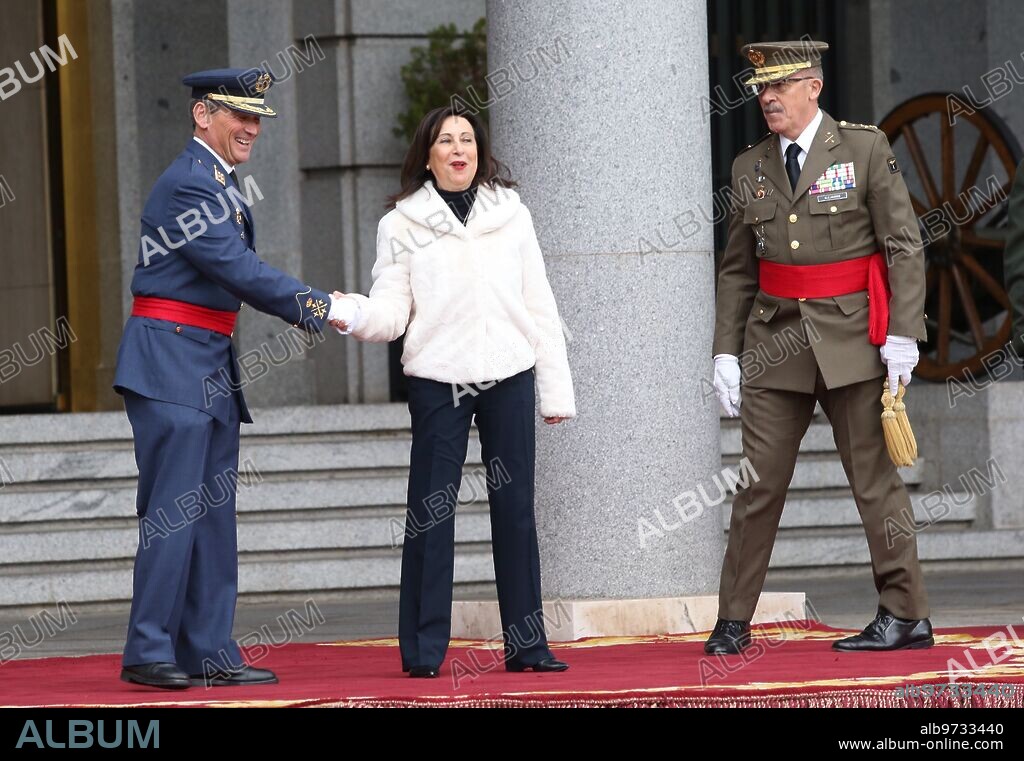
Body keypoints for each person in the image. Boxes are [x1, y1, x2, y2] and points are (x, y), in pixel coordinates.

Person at [114, 68, 348, 689]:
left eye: (257, 119)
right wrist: (319, 305)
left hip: (204, 360)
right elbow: (236, 267)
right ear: (201, 114)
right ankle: (148, 648)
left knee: (212, 513)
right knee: (172, 511)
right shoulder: (191, 184)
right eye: (238, 115)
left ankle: (208, 650)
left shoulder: (216, 180)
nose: (250, 128)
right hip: (171, 361)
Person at [329, 105, 575, 677]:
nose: (458, 149)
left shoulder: (512, 214)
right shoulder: (402, 224)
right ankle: (422, 651)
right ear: (429, 154)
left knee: (515, 511)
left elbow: (539, 303)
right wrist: (345, 312)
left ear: (480, 151)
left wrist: (555, 391)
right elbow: (391, 311)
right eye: (446, 141)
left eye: (467, 139)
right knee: (430, 513)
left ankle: (527, 645)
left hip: (508, 375)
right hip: (439, 381)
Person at [707, 41, 933, 655]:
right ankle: (733, 619)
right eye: (760, 88)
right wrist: (725, 350)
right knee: (758, 486)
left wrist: (903, 333)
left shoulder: (862, 148)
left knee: (873, 482)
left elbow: (904, 245)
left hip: (854, 340)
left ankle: (905, 613)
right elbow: (737, 270)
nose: (767, 98)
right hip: (774, 339)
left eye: (780, 86)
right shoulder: (749, 165)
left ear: (814, 86)